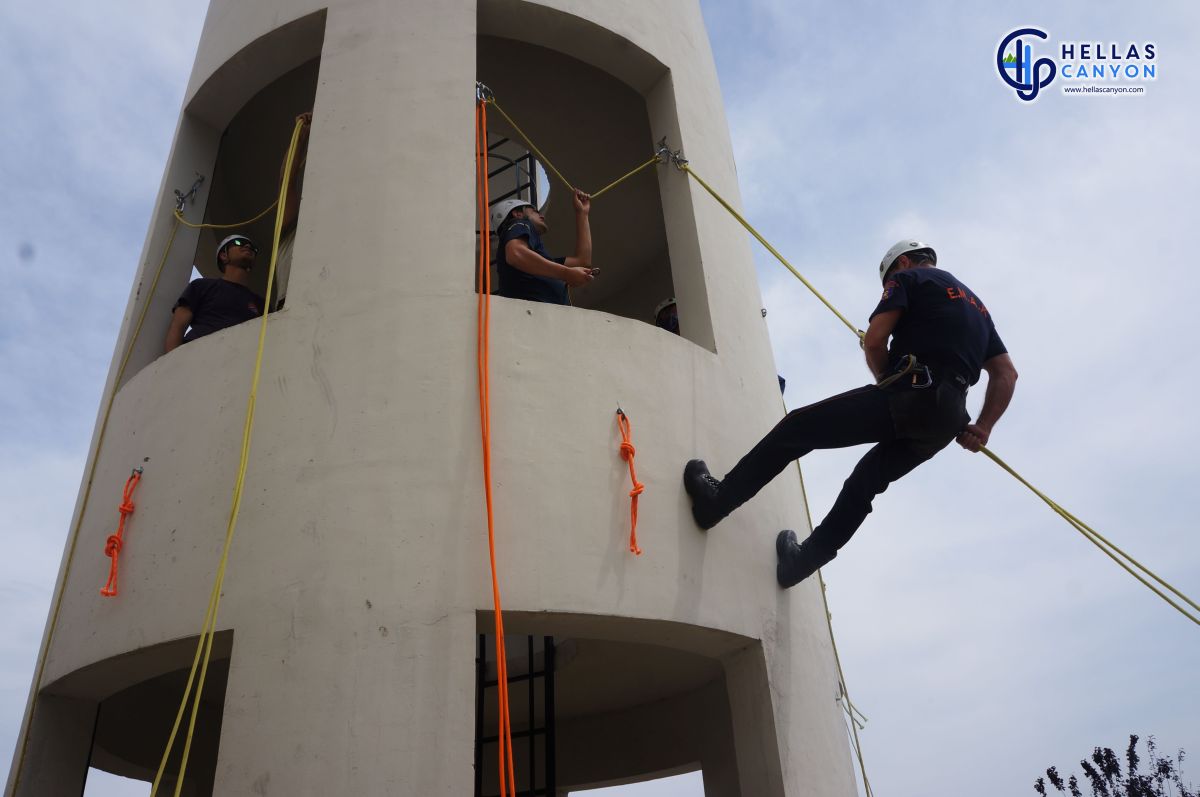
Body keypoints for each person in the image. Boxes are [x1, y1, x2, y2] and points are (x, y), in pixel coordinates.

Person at [683, 239, 1018, 588]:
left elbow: (875, 341)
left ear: (902, 262)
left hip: (911, 394)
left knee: (799, 428)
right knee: (865, 484)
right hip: (947, 422)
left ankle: (716, 502)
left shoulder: (907, 279)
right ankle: (800, 563)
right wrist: (983, 427)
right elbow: (1006, 373)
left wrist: (886, 376)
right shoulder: (979, 310)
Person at [490, 190, 596, 303]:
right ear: (517, 214)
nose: (542, 216)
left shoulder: (540, 265)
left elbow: (583, 263)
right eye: (535, 211)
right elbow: (515, 253)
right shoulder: (519, 223)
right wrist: (566, 273)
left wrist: (582, 213)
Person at [164, 234, 265, 352]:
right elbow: (177, 327)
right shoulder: (201, 286)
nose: (248, 246)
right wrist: (172, 365)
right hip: (196, 357)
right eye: (238, 243)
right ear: (224, 255)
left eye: (253, 248)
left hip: (239, 360)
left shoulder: (262, 304)